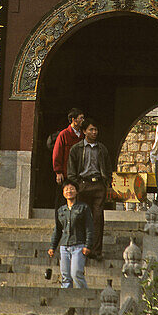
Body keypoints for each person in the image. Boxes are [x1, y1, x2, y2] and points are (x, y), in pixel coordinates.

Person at [67, 119, 111, 260]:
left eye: (96, 130)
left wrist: (106, 183)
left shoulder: (102, 149)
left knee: (97, 218)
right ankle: (80, 249)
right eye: (91, 130)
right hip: (83, 185)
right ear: (84, 131)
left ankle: (96, 251)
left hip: (98, 186)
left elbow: (108, 168)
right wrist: (76, 185)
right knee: (81, 218)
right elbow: (71, 170)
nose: (94, 132)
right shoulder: (76, 149)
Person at [48, 179, 93, 288]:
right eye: (66, 189)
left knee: (76, 273)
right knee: (65, 276)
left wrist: (88, 245)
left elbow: (89, 228)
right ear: (63, 193)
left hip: (79, 245)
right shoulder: (61, 211)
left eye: (72, 189)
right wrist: (52, 247)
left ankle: (83, 296)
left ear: (77, 192)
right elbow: (57, 230)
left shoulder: (83, 208)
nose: (69, 191)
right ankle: (66, 300)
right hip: (64, 246)